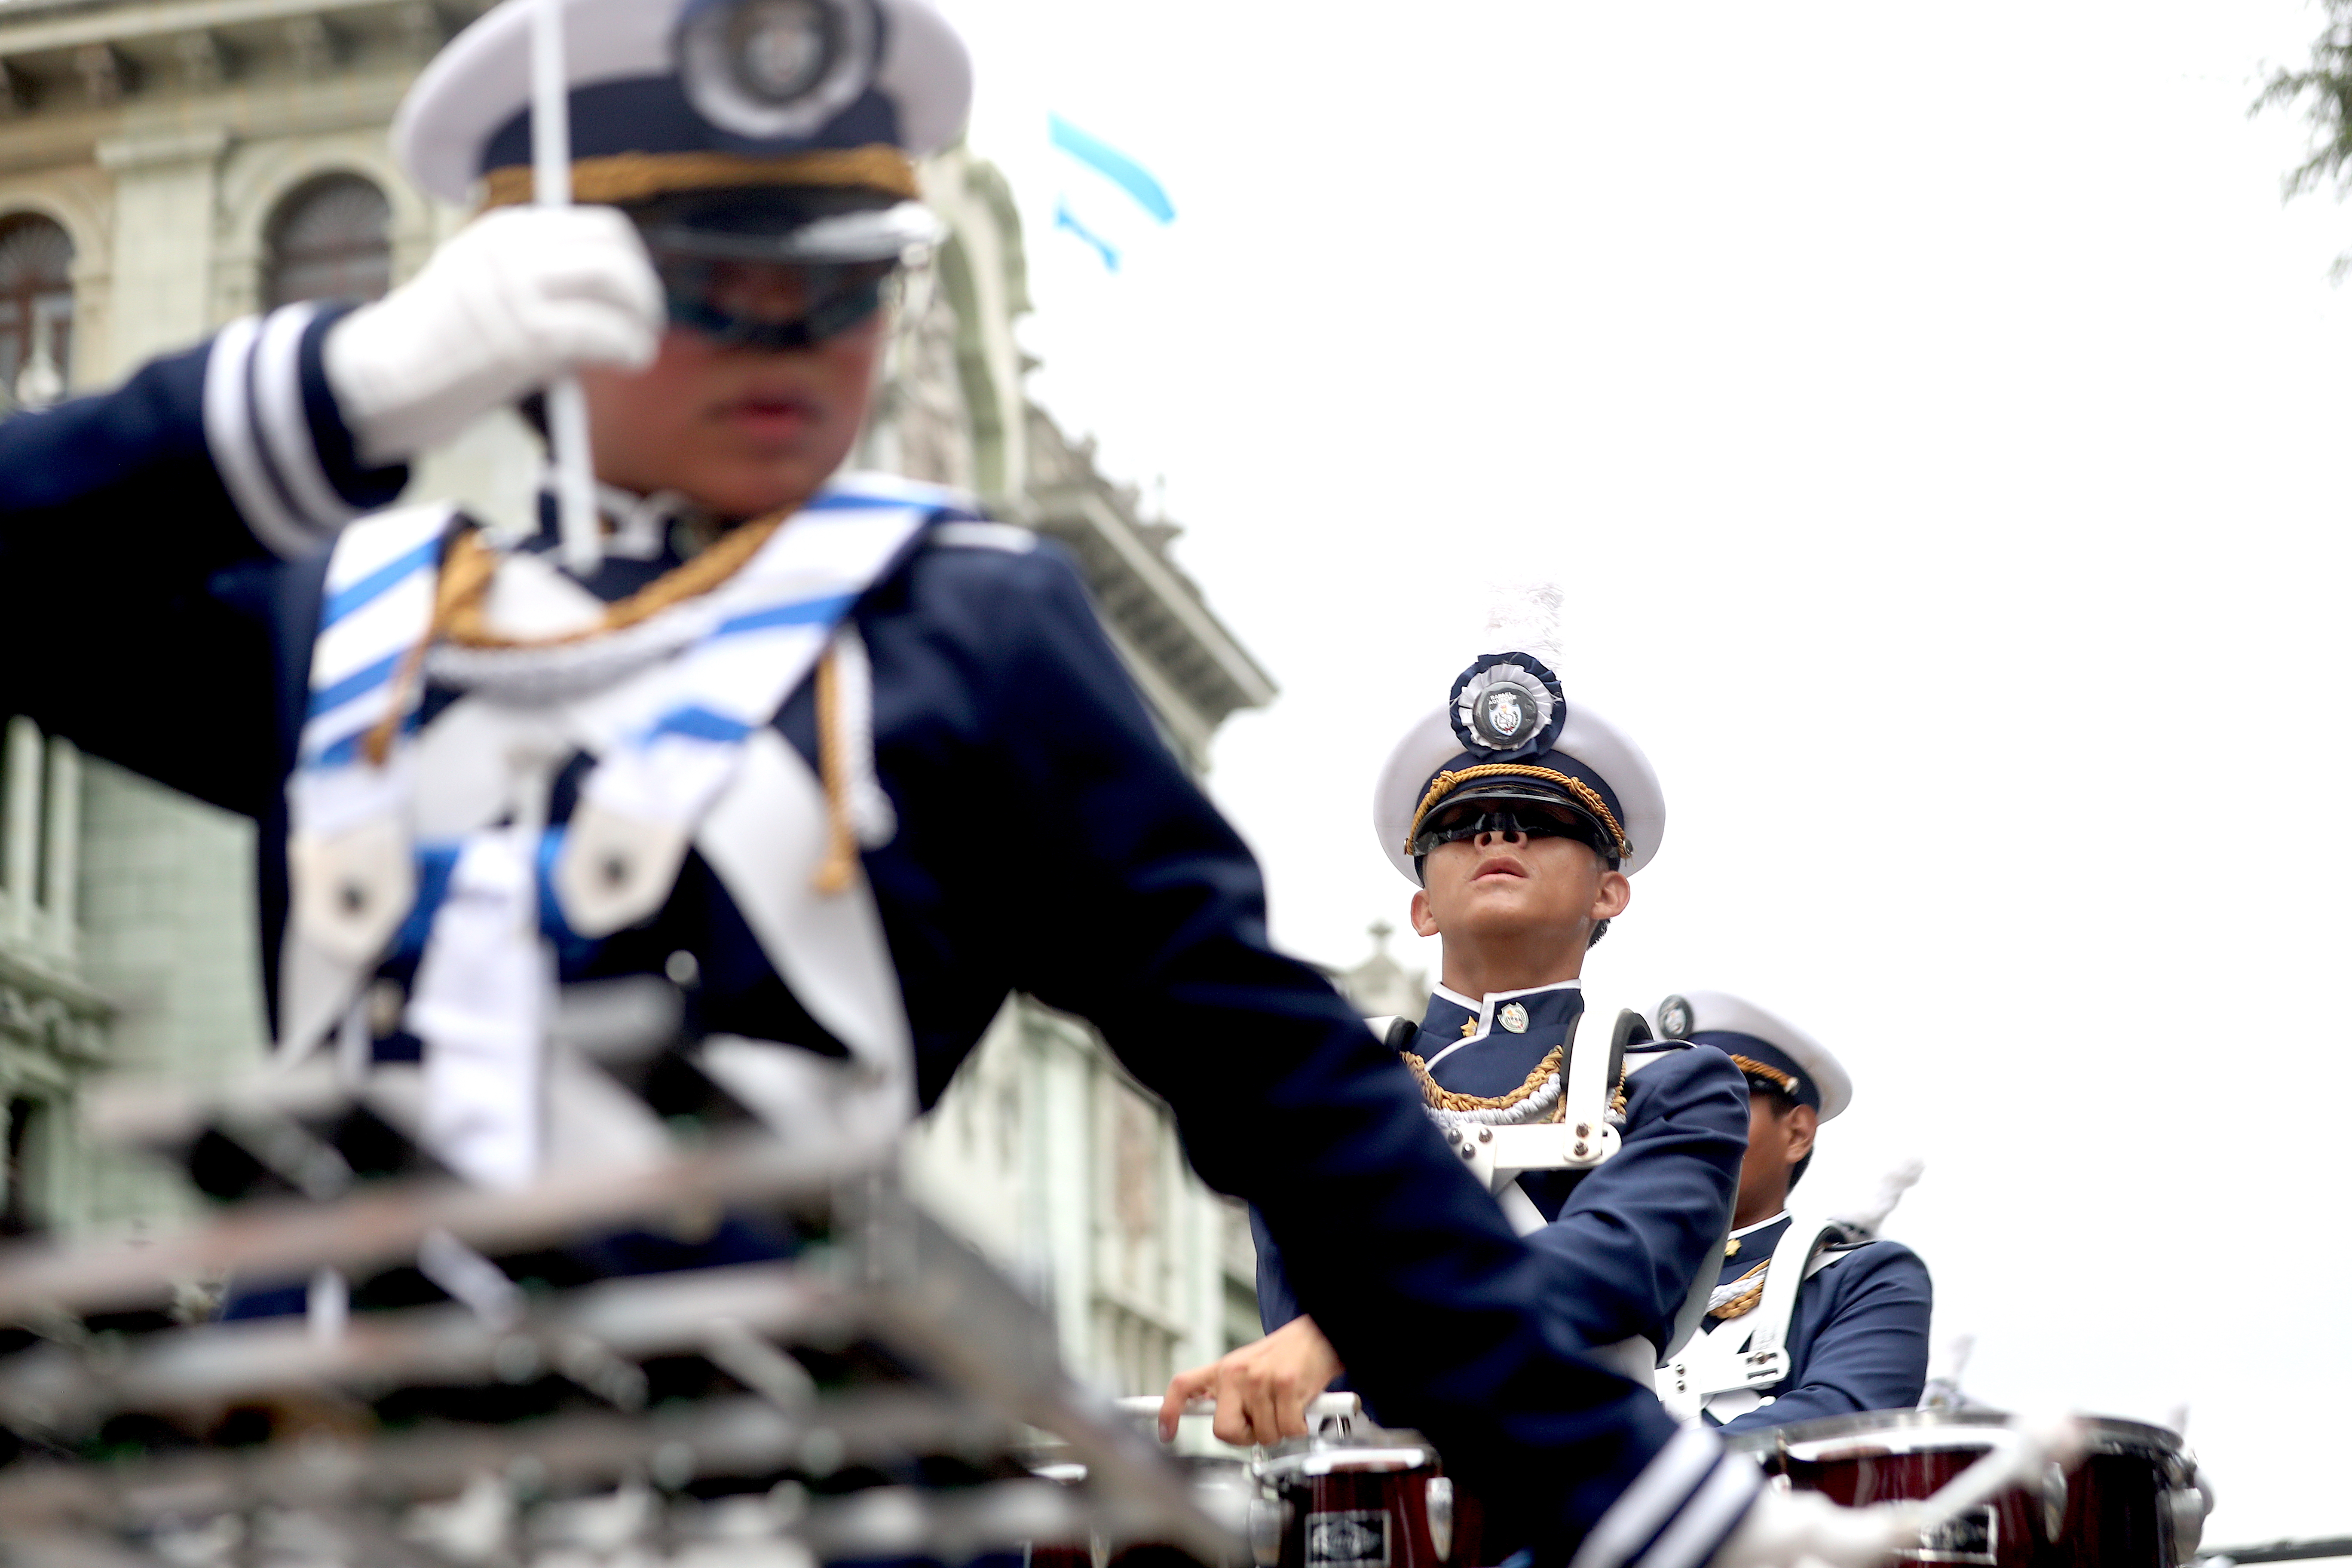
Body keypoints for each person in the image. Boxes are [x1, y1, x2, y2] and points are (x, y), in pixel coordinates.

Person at [0, 1, 1917, 1557]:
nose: (784, 340)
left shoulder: (961, 632)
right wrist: (347, 382)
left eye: (835, 287)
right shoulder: (354, 620)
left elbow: (1299, 1107)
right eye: (701, 284)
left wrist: (1662, 1506)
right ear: (539, 288)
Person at [1162, 597, 1747, 1446]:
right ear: (1421, 907)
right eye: (1459, 825)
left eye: (1544, 822)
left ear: (1609, 891)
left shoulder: (1681, 1085)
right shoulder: (1323, 1082)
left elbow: (1608, 1272)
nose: (1496, 833)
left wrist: (1341, 1332)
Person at [1651, 992, 1933, 1430]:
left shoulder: (1867, 1279)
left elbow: (1842, 1419)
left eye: (1718, 1105)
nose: (1681, 1130)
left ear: (1798, 1133)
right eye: (1660, 1110)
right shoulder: (1610, 1279)